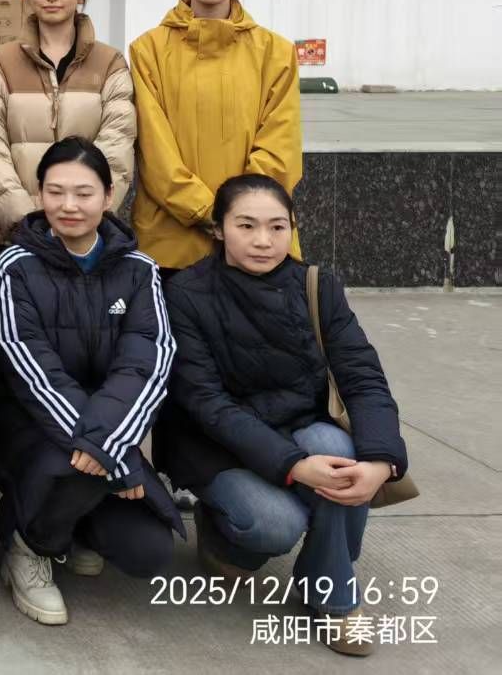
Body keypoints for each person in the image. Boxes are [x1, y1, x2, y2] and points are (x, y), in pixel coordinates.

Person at [160, 174, 407, 657]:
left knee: (340, 452)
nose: (263, 240)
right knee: (277, 524)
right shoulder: (184, 294)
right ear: (218, 229)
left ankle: (331, 595)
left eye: (277, 227)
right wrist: (295, 466)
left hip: (298, 423)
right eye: (246, 225)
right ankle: (224, 539)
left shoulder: (316, 285)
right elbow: (207, 404)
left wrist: (382, 461)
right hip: (215, 444)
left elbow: (362, 376)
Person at [0, 137, 179, 626]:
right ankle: (28, 544)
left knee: (149, 550)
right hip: (24, 422)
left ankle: (73, 527)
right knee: (70, 469)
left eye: (84, 193)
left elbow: (147, 366)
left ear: (109, 197)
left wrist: (109, 443)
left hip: (109, 426)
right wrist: (113, 452)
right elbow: (32, 371)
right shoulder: (14, 266)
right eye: (56, 192)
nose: (69, 205)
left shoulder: (139, 270)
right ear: (39, 194)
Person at [130, 0, 302, 272]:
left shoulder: (276, 53)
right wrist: (208, 212)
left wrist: (243, 216)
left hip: (256, 238)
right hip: (171, 235)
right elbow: (155, 150)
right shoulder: (148, 50)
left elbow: (279, 146)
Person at [0, 0, 135, 277]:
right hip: (14, 235)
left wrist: (82, 213)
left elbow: (117, 147)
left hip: (88, 234)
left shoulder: (110, 63)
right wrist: (31, 222)